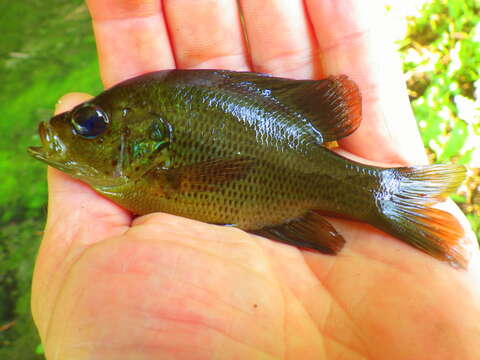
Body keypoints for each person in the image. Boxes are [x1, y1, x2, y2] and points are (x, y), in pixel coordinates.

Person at [31, 1, 480, 359]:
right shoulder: (149, 171)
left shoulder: (154, 174)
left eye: (93, 124)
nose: (75, 129)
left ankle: (386, 195)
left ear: (145, 140)